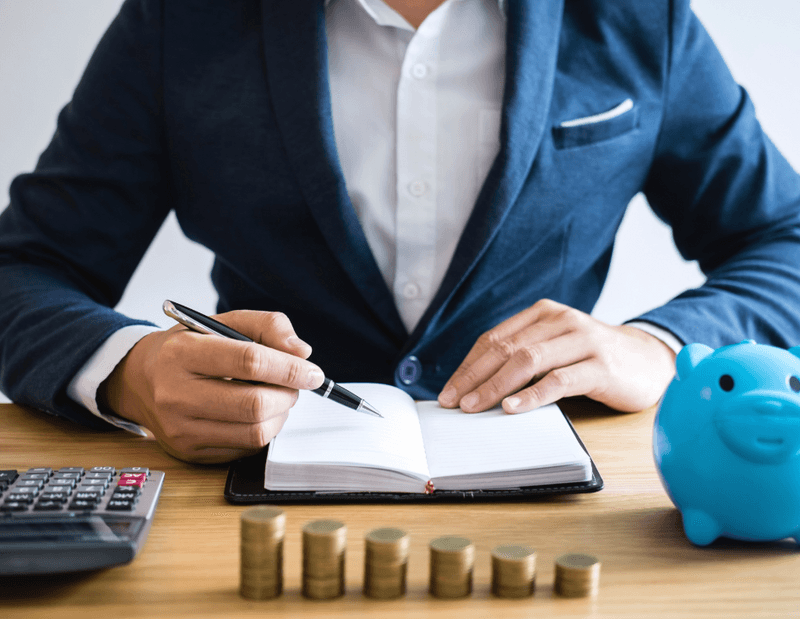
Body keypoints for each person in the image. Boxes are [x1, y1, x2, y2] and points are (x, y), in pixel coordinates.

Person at [1, 0, 799, 463]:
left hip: (570, 511)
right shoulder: (180, 21)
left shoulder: (640, 17)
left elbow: (784, 238)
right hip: (244, 513)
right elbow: (23, 269)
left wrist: (657, 344)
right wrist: (129, 369)